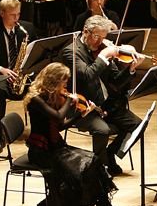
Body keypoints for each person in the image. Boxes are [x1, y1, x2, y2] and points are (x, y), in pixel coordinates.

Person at [23, 62, 119, 206]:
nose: (65, 85)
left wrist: (82, 115)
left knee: (93, 159)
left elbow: (59, 126)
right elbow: (59, 117)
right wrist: (69, 99)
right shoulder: (36, 100)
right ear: (54, 81)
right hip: (42, 151)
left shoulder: (53, 98)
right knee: (77, 170)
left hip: (56, 146)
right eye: (64, 81)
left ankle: (104, 203)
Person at [61, 15, 142, 176]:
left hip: (105, 103)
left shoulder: (101, 49)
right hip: (84, 106)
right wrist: (104, 56)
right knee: (103, 130)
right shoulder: (71, 52)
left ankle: (108, 155)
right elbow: (88, 75)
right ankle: (97, 167)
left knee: (137, 125)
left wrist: (131, 69)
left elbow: (116, 80)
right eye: (97, 37)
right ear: (85, 32)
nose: (100, 42)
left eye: (103, 38)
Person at [0, 0, 38, 154]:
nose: (16, 18)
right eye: (12, 15)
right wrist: (1, 69)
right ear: (2, 13)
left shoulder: (28, 28)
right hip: (2, 75)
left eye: (18, 14)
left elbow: (36, 52)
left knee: (39, 89)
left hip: (23, 74)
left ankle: (37, 134)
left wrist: (26, 68)